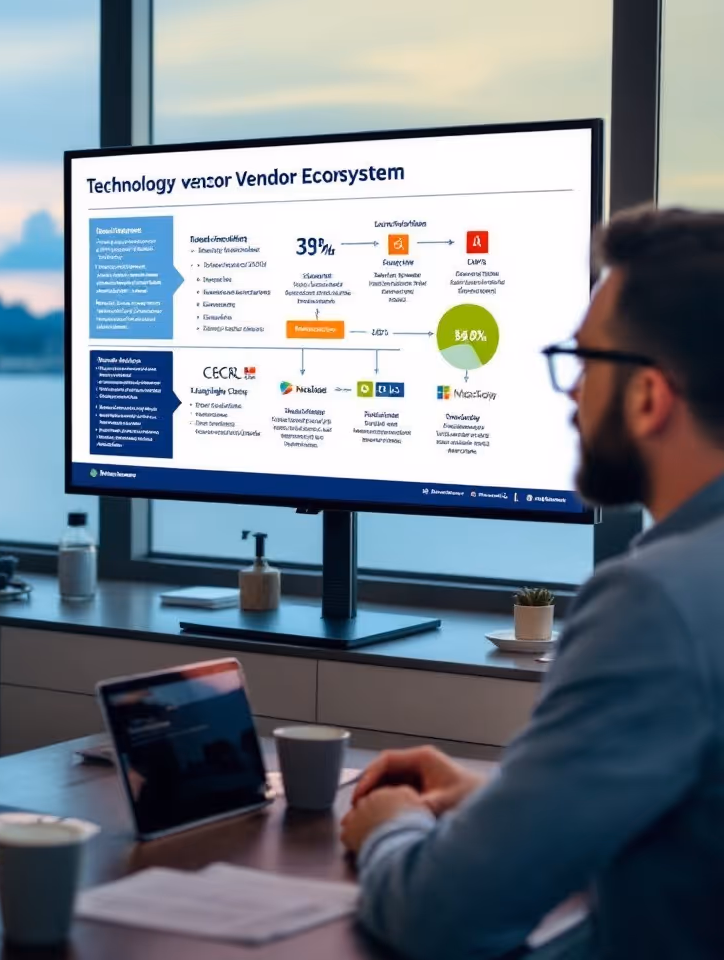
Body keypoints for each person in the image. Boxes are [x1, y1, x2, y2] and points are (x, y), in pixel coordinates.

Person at [341, 208, 724, 958]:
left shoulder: (658, 602)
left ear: (649, 396)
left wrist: (392, 827)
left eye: (585, 362)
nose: (572, 393)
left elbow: (441, 918)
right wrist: (503, 807)